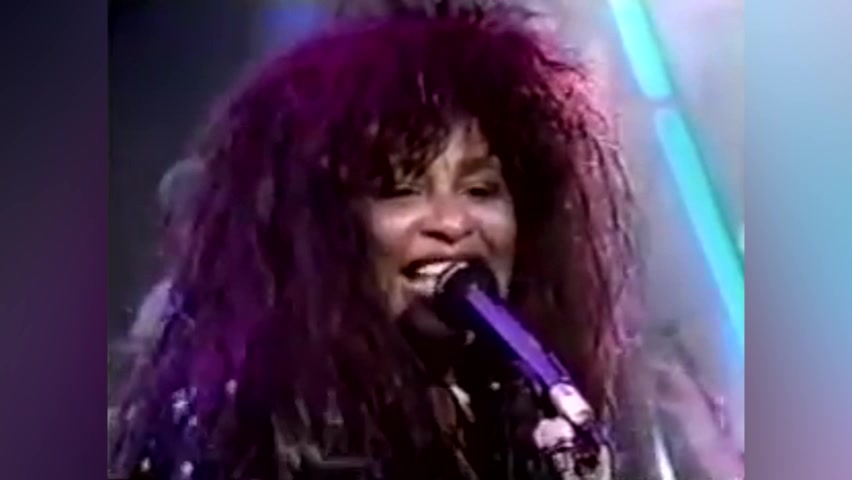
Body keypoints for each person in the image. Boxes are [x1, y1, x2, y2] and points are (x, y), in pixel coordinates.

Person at [109, 3, 664, 479]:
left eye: (481, 189)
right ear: (323, 226)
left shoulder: (523, 413)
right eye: (401, 190)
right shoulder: (252, 422)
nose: (453, 222)